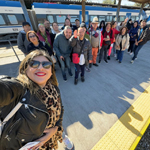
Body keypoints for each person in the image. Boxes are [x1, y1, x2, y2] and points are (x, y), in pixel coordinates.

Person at [0, 50, 64, 150]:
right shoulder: (20, 91)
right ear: (24, 69)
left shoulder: (54, 88)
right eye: (34, 64)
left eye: (46, 64)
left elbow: (60, 109)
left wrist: (56, 128)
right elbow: (5, 89)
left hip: (52, 142)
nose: (41, 67)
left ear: (51, 71)